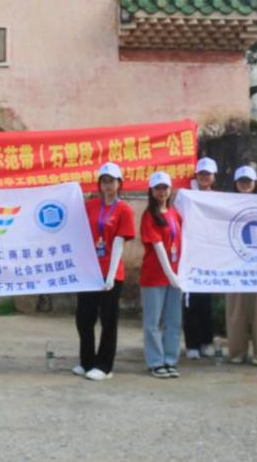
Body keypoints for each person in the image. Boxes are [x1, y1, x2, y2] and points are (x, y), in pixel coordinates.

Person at [75, 162, 135, 381]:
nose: (108, 185)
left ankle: (105, 366)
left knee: (108, 320)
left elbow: (119, 243)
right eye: (104, 181)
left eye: (112, 181)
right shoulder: (90, 206)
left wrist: (110, 275)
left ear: (120, 183)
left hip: (111, 274)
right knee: (84, 318)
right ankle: (87, 361)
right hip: (89, 271)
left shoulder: (124, 209)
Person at [225, 165, 257, 365]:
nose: (245, 185)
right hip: (235, 267)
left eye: (248, 181)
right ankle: (237, 352)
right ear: (235, 184)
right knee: (236, 311)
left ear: (255, 184)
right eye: (241, 181)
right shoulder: (225, 204)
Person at [140, 171, 183, 378]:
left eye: (165, 187)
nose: (162, 192)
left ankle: (170, 359)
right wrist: (171, 275)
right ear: (151, 191)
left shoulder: (174, 213)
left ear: (170, 189)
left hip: (175, 276)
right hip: (155, 276)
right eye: (157, 188)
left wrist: (178, 274)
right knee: (153, 322)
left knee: (174, 321)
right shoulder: (149, 215)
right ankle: (155, 362)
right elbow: (158, 247)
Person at [183, 156, 218, 360]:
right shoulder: (187, 196)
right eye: (201, 174)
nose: (204, 177)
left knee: (206, 302)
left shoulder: (220, 199)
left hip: (210, 256)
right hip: (190, 255)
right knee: (190, 301)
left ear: (214, 177)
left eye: (208, 174)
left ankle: (207, 341)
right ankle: (192, 344)